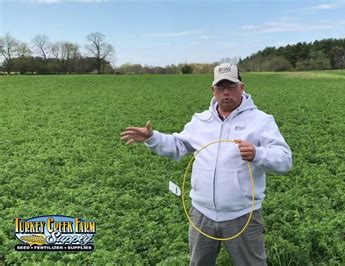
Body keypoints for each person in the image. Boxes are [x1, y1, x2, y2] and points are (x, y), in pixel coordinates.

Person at [120, 63, 292, 265]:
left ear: (241, 87)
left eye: (231, 86)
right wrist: (152, 137)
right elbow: (177, 145)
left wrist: (257, 153)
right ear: (213, 90)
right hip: (201, 214)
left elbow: (284, 160)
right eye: (221, 87)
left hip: (242, 215)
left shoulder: (261, 121)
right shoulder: (200, 121)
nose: (225, 92)